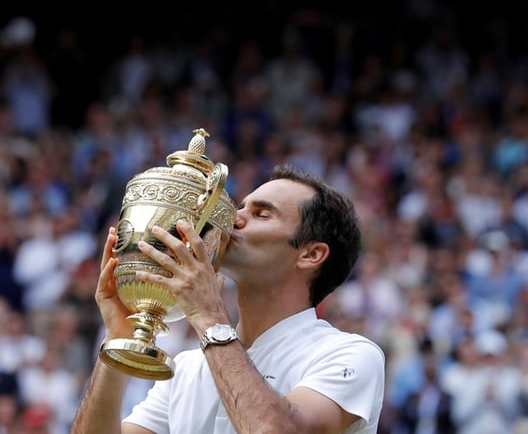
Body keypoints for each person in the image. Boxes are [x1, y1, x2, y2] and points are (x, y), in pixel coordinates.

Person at [72, 164, 385, 433]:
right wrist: (118, 337)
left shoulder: (349, 355)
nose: (233, 218)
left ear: (311, 254)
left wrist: (210, 316)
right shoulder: (187, 367)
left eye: (261, 214)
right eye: (241, 207)